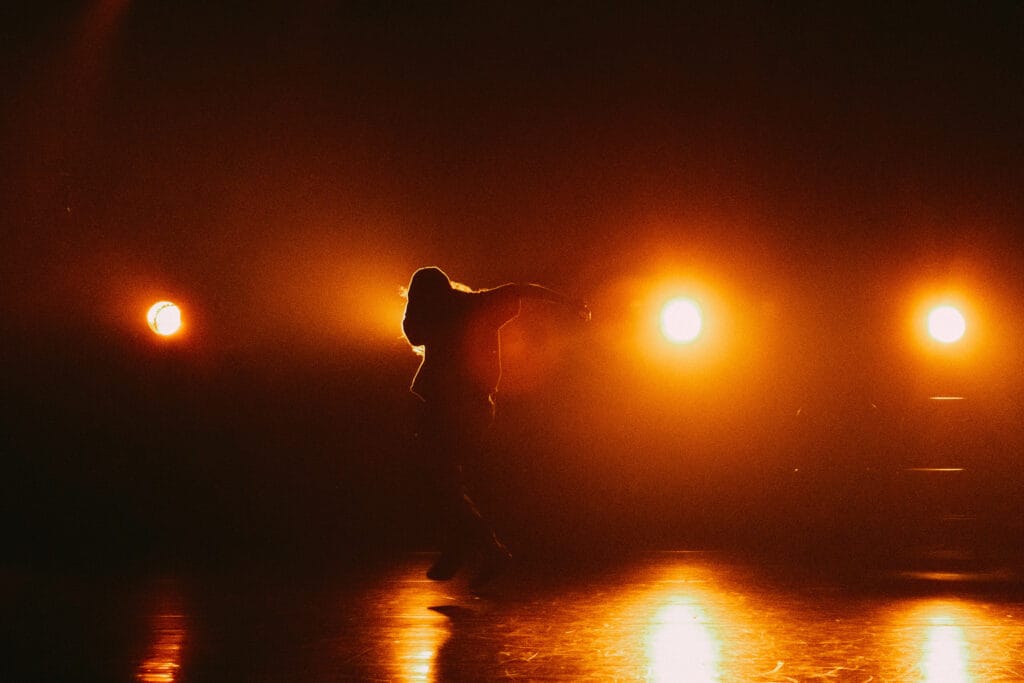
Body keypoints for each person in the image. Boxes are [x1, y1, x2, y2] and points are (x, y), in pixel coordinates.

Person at [402, 266, 591, 588]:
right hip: (457, 405)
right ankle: (466, 547)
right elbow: (522, 288)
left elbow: (414, 334)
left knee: (441, 481)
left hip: (457, 407)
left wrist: (568, 303)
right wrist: (568, 303)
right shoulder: (471, 306)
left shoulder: (453, 310)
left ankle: (479, 548)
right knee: (443, 482)